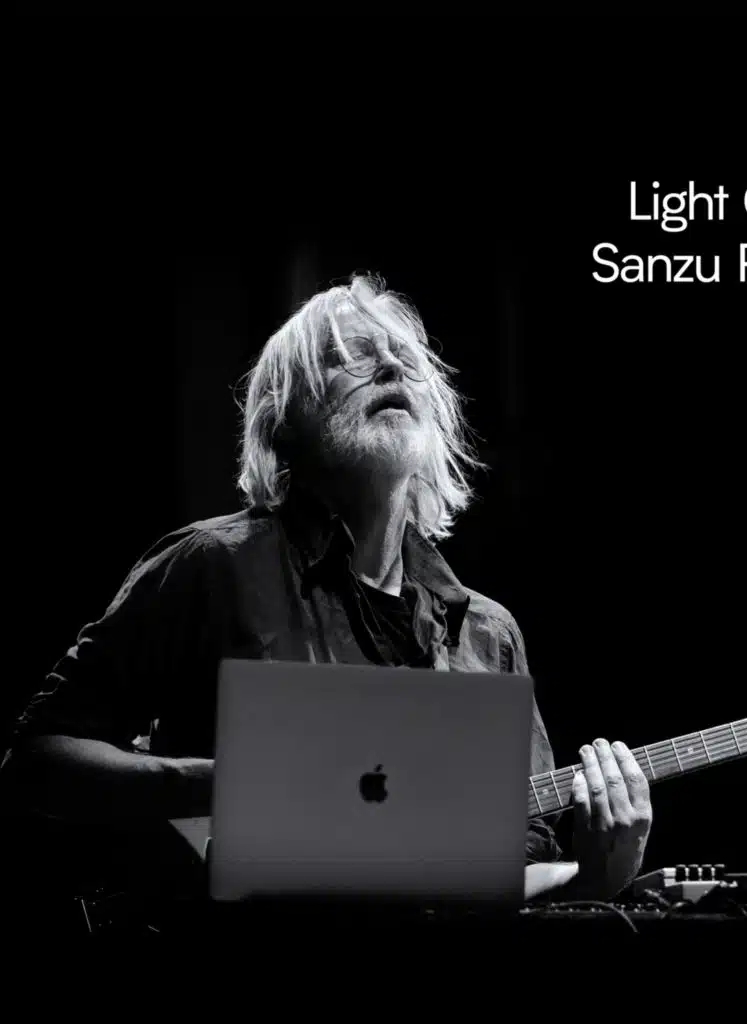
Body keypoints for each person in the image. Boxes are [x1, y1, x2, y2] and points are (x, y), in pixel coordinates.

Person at [1, 273, 652, 904]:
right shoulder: (214, 565)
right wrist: (219, 785)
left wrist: (596, 875)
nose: (392, 368)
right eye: (353, 357)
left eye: (406, 360)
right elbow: (36, 760)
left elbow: (519, 872)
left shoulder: (488, 633)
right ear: (284, 419)